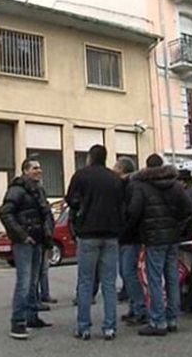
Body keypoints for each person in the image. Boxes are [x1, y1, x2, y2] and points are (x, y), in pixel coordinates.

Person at [126, 153, 192, 336]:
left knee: (154, 279)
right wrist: (178, 228)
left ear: (146, 166)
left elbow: (134, 211)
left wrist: (133, 230)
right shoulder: (175, 185)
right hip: (172, 237)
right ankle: (172, 318)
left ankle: (157, 320)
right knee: (172, 277)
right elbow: (187, 208)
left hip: (153, 238)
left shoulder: (140, 185)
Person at [65, 145, 123, 341]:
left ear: (90, 157)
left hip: (88, 233)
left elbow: (70, 200)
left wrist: (82, 209)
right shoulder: (115, 178)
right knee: (109, 282)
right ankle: (109, 327)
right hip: (111, 233)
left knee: (85, 281)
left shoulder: (81, 176)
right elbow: (124, 204)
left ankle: (83, 327)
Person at [0, 158, 54, 340]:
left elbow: (45, 214)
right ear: (25, 171)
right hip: (25, 242)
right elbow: (5, 212)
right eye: (35, 168)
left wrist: (47, 238)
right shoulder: (17, 190)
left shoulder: (38, 190)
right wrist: (22, 235)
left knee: (33, 281)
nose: (39, 171)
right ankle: (18, 322)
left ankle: (31, 317)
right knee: (24, 280)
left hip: (38, 241)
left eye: (40, 167)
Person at [114, 156, 148, 326]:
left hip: (130, 236)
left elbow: (133, 211)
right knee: (126, 272)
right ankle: (135, 307)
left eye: (116, 166)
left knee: (129, 272)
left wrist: (125, 228)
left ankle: (140, 308)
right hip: (128, 235)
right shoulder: (128, 185)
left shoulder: (132, 186)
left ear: (121, 169)